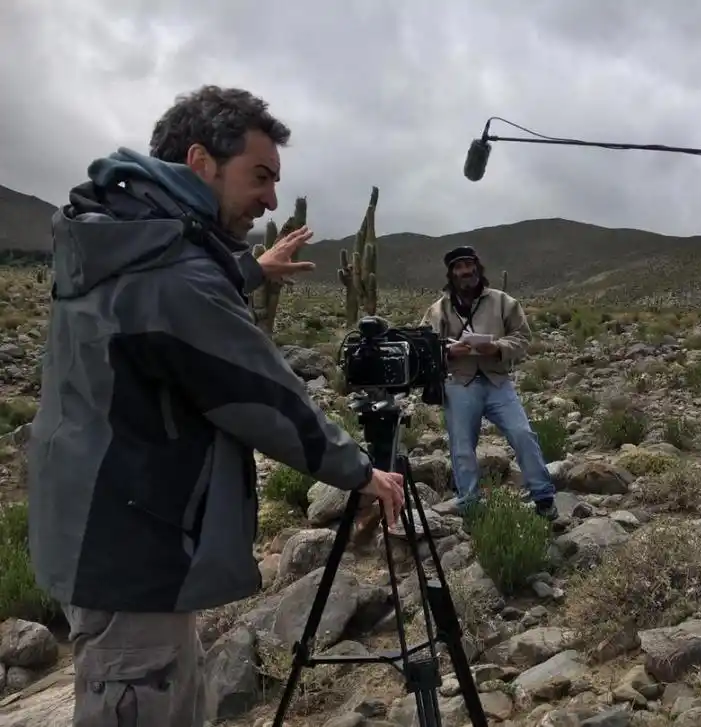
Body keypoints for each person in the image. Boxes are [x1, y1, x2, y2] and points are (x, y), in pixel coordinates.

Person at [26, 85, 405, 727]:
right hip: (132, 554)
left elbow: (176, 299)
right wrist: (360, 472)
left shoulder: (125, 240)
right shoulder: (174, 279)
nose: (272, 200)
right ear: (201, 163)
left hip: (103, 528)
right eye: (260, 176)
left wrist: (252, 271)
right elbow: (262, 396)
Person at [419, 246, 558, 520]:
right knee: (461, 448)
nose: (465, 271)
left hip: (497, 381)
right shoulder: (438, 309)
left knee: (522, 434)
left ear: (477, 267)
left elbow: (522, 337)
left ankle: (543, 497)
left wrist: (496, 347)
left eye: (469, 265)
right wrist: (447, 351)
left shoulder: (503, 302)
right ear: (451, 273)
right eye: (458, 267)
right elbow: (423, 345)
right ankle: (470, 506)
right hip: (459, 382)